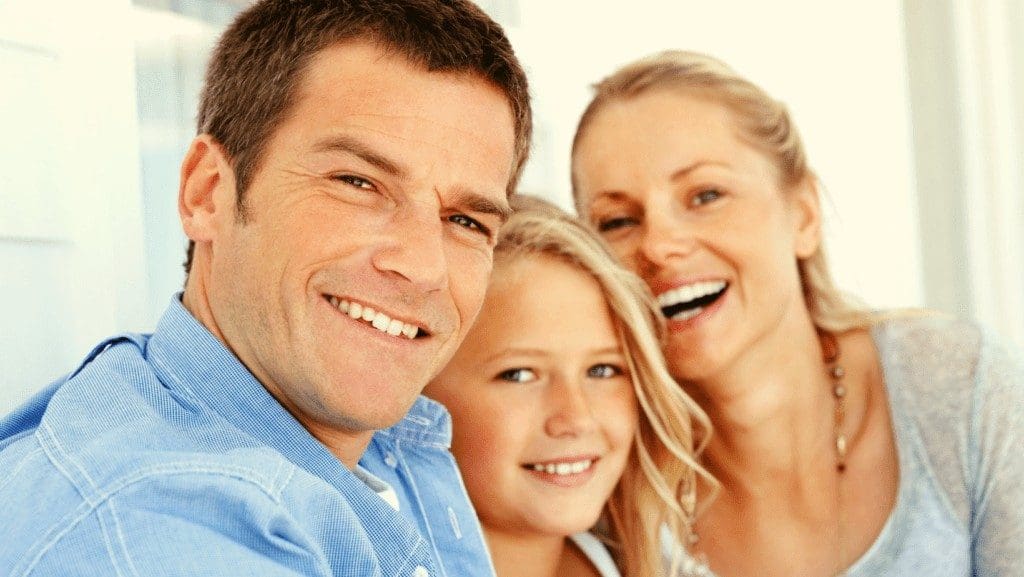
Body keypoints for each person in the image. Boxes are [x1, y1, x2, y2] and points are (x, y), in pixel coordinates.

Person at [0, 1, 531, 575]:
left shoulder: (356, 433)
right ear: (207, 194)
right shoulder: (153, 528)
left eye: (467, 221)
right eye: (358, 183)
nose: (425, 267)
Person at [570, 50, 1024, 576]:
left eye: (705, 195)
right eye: (618, 221)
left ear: (804, 214)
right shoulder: (597, 472)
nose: (660, 244)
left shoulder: (956, 387)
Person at [424, 195, 711, 577]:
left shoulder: (663, 565)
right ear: (420, 394)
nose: (575, 418)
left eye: (602, 370)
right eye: (520, 375)